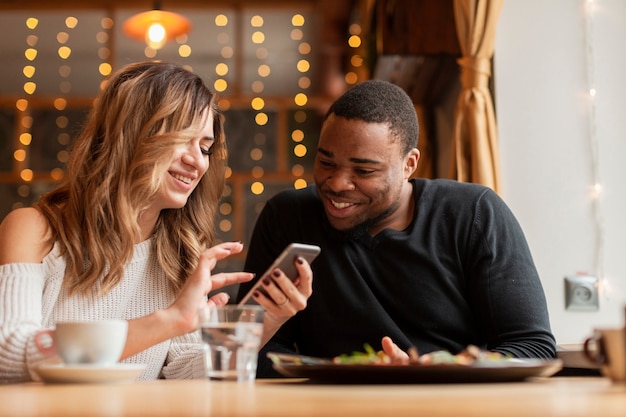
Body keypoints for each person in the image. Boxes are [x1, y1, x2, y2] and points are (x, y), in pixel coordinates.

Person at [0, 61, 313, 383]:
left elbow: (186, 374)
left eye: (205, 148)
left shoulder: (179, 253)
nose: (197, 161)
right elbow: (9, 356)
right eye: (182, 140)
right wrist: (170, 320)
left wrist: (264, 321)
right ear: (130, 136)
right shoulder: (35, 229)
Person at [237, 79, 557, 377]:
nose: (336, 183)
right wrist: (339, 373)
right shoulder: (287, 217)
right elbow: (251, 349)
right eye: (326, 162)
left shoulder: (473, 213)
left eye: (363, 170)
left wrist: (438, 371)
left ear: (409, 164)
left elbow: (532, 347)